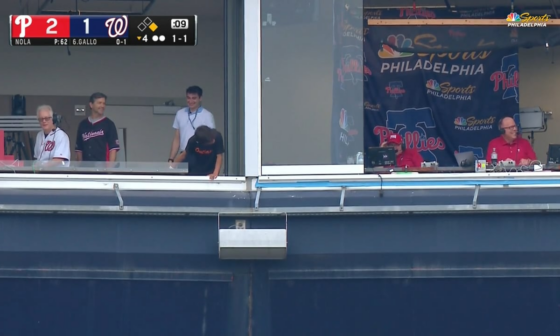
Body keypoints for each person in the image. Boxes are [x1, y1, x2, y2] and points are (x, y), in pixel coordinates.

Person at [168, 86, 215, 164]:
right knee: (181, 175)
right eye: (188, 98)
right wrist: (171, 159)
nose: (190, 101)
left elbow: (211, 139)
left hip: (201, 155)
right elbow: (177, 138)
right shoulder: (180, 113)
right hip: (183, 154)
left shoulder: (207, 115)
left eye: (194, 98)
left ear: (200, 98)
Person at [75, 92, 120, 162]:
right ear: (91, 105)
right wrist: (80, 169)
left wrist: (110, 170)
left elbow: (113, 149)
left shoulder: (109, 124)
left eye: (104, 103)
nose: (102, 106)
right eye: (99, 103)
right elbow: (79, 150)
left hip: (103, 169)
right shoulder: (83, 124)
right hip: (85, 169)